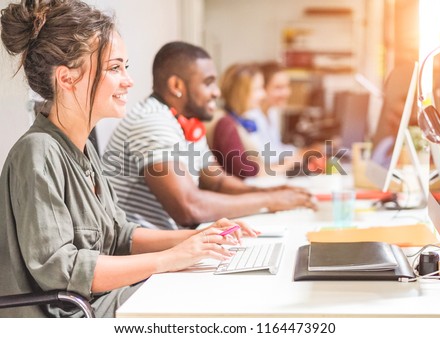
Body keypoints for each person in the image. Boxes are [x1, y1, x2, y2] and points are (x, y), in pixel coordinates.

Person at [0, 0, 256, 318]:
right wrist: (171, 258)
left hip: (102, 301)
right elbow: (61, 271)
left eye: (125, 66)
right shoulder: (37, 152)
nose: (128, 80)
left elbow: (120, 235)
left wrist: (199, 236)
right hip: (75, 315)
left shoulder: (82, 149)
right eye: (114, 68)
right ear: (67, 79)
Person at [105, 42, 316, 231]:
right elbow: (188, 207)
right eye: (208, 83)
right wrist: (270, 200)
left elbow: (217, 181)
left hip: (173, 245)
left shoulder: (186, 122)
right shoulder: (153, 122)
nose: (216, 92)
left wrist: (275, 193)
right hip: (145, 259)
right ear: (177, 86)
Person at [207, 62, 267, 178]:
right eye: (258, 89)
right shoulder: (224, 123)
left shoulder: (244, 120)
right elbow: (244, 171)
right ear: (240, 92)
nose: (263, 94)